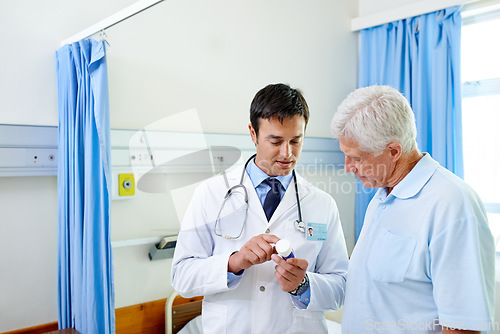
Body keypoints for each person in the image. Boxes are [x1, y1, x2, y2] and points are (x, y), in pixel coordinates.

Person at [172, 83, 348, 334]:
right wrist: (234, 262)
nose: (288, 153)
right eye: (275, 141)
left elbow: (341, 287)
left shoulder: (322, 204)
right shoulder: (211, 194)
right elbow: (182, 276)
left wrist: (304, 285)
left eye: (296, 141)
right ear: (253, 134)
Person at [331, 85, 495, 333]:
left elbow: (463, 325)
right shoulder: (382, 196)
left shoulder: (451, 204)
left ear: (394, 151)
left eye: (356, 157)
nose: (347, 167)